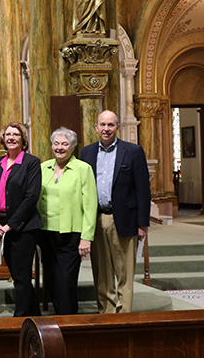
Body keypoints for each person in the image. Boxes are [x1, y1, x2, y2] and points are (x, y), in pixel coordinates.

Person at [80, 110, 151, 314]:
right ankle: (107, 313)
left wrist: (143, 224)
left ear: (117, 127)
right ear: (96, 127)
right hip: (96, 218)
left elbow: (143, 190)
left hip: (125, 219)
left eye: (111, 125)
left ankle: (124, 315)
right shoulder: (86, 153)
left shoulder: (133, 151)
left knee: (124, 272)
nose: (106, 129)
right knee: (101, 272)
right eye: (102, 124)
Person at [0, 121, 42, 317]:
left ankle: (20, 319)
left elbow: (31, 197)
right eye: (8, 134)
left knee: (21, 277)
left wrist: (10, 225)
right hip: (2, 225)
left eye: (16, 134)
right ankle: (34, 315)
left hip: (23, 228)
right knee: (17, 275)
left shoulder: (31, 163)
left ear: (23, 139)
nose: (11, 138)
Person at [38, 127, 97, 315]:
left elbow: (90, 205)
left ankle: (68, 320)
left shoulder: (83, 169)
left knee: (66, 280)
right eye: (56, 143)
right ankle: (58, 317)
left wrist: (86, 237)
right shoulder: (43, 168)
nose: (60, 148)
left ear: (72, 147)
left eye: (65, 144)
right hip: (46, 233)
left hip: (71, 235)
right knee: (52, 279)